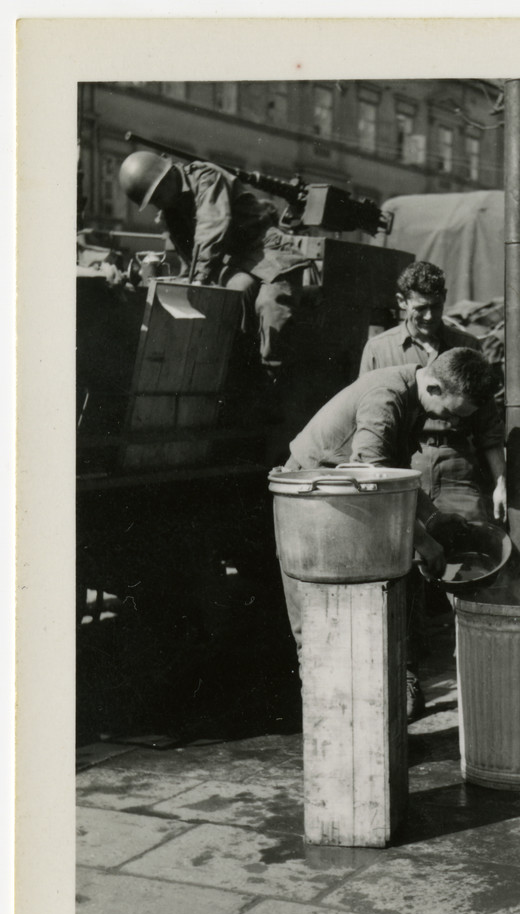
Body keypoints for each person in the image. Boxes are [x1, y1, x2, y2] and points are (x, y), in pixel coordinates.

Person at [278, 347, 499, 704]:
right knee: (320, 632)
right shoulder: (386, 397)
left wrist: (434, 518)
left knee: (365, 626)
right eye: (454, 413)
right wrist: (424, 541)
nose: (455, 424)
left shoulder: (414, 397)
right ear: (435, 388)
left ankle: (369, 729)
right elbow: (373, 487)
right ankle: (330, 734)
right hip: (311, 509)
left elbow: (395, 477)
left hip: (346, 505)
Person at [361, 262, 507, 717]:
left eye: (437, 308)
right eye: (421, 309)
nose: (429, 318)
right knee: (401, 561)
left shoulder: (468, 345)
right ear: (403, 303)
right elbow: (372, 416)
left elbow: (489, 424)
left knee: (480, 555)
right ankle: (408, 676)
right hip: (405, 461)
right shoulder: (379, 349)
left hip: (459, 462)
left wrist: (500, 479)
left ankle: (486, 671)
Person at [118, 151, 311, 385]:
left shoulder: (206, 177)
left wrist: (198, 279)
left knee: (271, 307)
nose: (158, 203)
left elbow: (211, 227)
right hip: (234, 262)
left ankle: (273, 384)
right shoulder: (172, 211)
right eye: (153, 201)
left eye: (158, 195)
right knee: (232, 299)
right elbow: (189, 258)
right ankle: (238, 377)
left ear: (168, 176)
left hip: (268, 251)